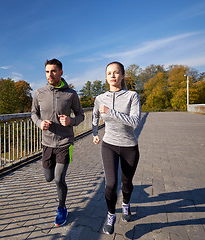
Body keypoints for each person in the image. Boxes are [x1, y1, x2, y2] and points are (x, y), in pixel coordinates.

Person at [31, 58, 85, 226]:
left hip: (64, 143)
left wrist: (71, 121)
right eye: (47, 71)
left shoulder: (71, 94)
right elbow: (33, 113)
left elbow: (81, 115)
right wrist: (40, 123)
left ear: (61, 72)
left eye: (53, 71)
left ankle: (62, 208)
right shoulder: (39, 92)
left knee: (58, 179)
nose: (50, 75)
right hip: (46, 143)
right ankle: (54, 173)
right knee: (48, 177)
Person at [92, 61, 141, 235]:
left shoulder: (132, 96)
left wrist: (111, 112)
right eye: (109, 73)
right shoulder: (100, 98)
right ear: (106, 77)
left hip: (129, 146)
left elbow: (135, 122)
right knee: (111, 184)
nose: (112, 76)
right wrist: (94, 132)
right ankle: (111, 214)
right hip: (109, 145)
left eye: (115, 72)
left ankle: (126, 205)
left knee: (127, 183)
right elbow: (95, 115)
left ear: (122, 75)